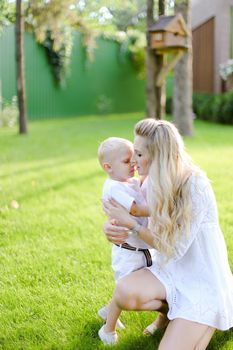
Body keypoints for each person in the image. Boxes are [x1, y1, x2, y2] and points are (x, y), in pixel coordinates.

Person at [103, 119, 233, 350]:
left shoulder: (195, 185)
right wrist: (112, 228)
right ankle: (173, 313)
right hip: (171, 270)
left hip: (201, 279)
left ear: (159, 156)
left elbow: (174, 248)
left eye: (140, 154)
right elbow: (132, 217)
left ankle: (209, 315)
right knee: (123, 291)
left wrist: (131, 224)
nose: (133, 160)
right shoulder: (150, 180)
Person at [97, 137, 156, 345]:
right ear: (108, 167)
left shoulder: (127, 181)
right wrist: (164, 207)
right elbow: (135, 209)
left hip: (140, 246)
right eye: (126, 161)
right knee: (125, 285)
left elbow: (139, 186)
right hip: (128, 249)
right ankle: (108, 329)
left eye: (134, 159)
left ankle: (107, 311)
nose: (133, 164)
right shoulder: (114, 188)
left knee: (130, 284)